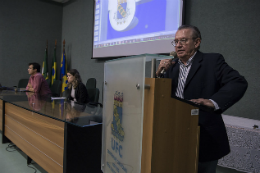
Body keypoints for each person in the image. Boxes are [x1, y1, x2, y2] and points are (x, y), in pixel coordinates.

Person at [156, 25, 248, 173]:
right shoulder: (171, 67)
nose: (178, 45)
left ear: (197, 42)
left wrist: (213, 101)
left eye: (183, 41)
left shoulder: (212, 61)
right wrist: (159, 74)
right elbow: (161, 97)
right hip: (175, 135)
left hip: (203, 137)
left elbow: (238, 82)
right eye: (176, 41)